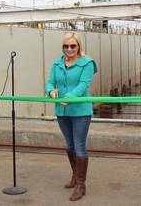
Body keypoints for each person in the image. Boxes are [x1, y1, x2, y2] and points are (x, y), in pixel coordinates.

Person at [45, 32, 97, 201]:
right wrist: (51, 91)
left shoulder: (87, 63)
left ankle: (81, 185)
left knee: (79, 145)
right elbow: (50, 82)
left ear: (78, 46)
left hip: (80, 110)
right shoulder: (57, 63)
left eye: (73, 46)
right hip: (62, 111)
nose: (69, 49)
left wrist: (70, 97)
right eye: (66, 46)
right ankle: (75, 176)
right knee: (69, 144)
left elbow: (83, 84)